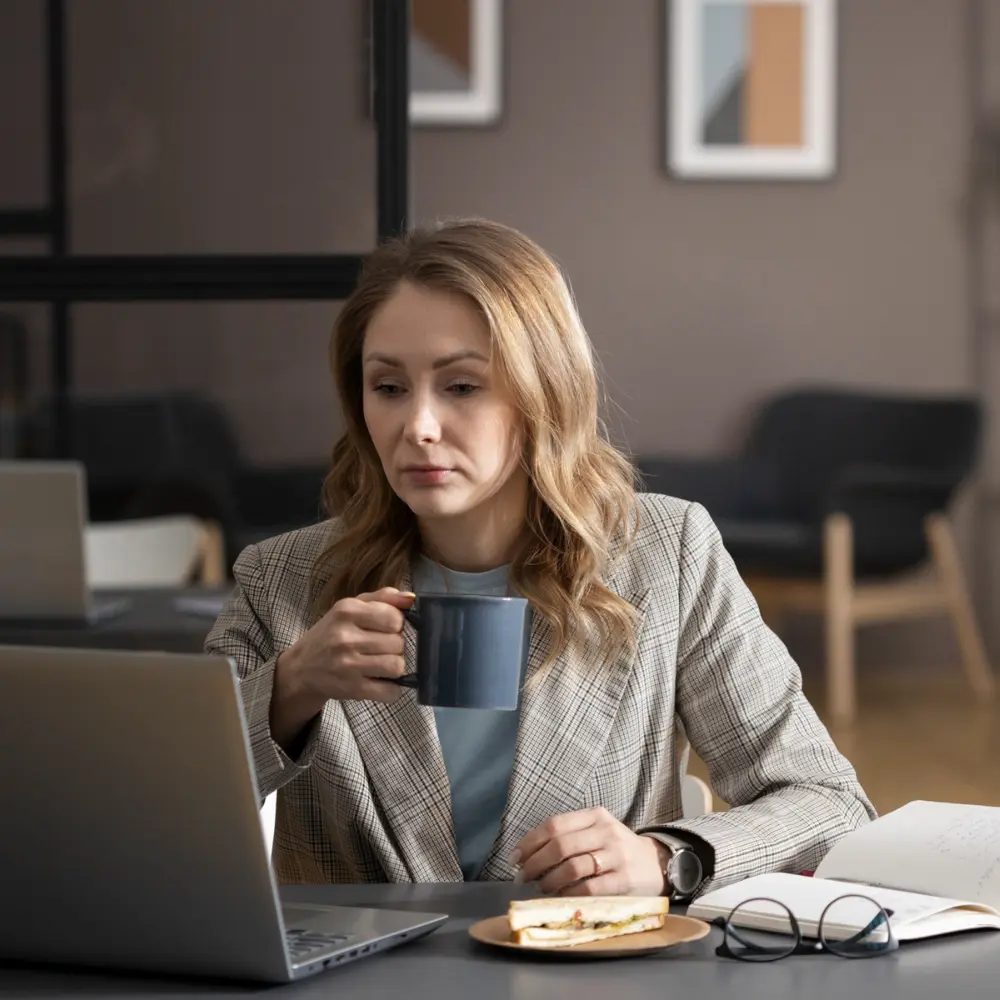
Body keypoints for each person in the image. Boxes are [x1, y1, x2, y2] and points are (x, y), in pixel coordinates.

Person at [205, 217, 875, 898]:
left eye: (461, 386)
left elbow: (829, 802)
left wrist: (668, 859)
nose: (419, 426)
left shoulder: (668, 556)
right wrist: (291, 688)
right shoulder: (281, 579)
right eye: (389, 387)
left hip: (586, 973)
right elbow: (167, 811)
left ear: (542, 391)